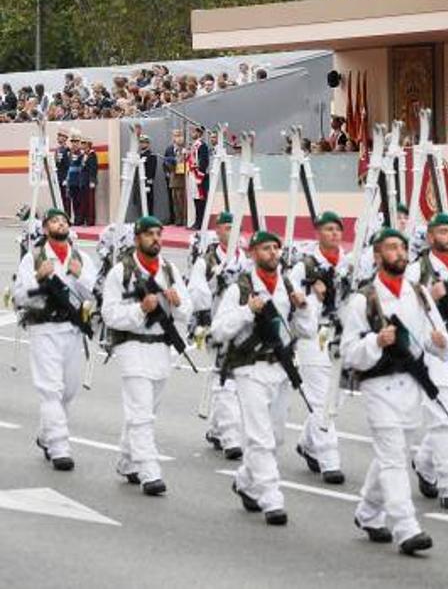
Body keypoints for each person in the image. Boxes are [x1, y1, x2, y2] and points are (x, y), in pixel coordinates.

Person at [340, 227, 443, 556]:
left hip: (411, 384)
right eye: (391, 248)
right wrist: (375, 341)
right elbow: (350, 352)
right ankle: (406, 527)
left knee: (395, 453)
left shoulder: (419, 293)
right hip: (378, 385)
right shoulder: (363, 299)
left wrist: (441, 343)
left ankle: (368, 512)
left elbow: (432, 336)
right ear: (377, 256)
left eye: (401, 247)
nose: (399, 253)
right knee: (393, 457)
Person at [213, 231, 317, 527]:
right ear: (252, 254)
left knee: (276, 436)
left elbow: (307, 331)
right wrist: (248, 311)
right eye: (265, 248)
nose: (272, 253)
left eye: (276, 248)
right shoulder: (240, 289)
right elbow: (219, 330)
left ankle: (246, 480)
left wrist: (304, 307)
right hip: (249, 367)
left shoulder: (288, 286)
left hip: (281, 368)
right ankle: (272, 497)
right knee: (259, 436)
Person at [101, 216, 192, 495]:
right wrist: (140, 309)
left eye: (158, 234)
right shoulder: (121, 272)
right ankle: (149, 472)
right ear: (137, 238)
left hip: (160, 349)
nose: (156, 239)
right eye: (149, 234)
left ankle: (128, 462)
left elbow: (186, 310)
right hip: (132, 348)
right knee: (141, 414)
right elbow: (110, 314)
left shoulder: (170, 270)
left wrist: (177, 303)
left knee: (147, 411)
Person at [14, 209, 95, 472]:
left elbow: (94, 293)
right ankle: (60, 447)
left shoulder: (80, 257)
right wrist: (38, 277)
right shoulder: (34, 257)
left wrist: (79, 274)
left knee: (69, 390)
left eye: (63, 221)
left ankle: (46, 434)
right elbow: (20, 297)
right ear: (46, 229)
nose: (60, 224)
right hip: (44, 328)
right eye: (54, 221)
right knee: (51, 389)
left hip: (72, 330)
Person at [409, 212, 448, 510]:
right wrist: (431, 301)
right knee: (445, 420)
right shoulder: (416, 271)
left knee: (447, 417)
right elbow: (405, 311)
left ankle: (424, 462)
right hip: (432, 350)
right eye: (443, 231)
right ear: (431, 236)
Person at [288, 211, 348, 484]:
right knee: (321, 398)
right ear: (318, 233)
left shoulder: (348, 263)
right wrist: (313, 299)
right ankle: (329, 458)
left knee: (337, 397)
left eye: (337, 229)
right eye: (328, 229)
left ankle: (308, 443)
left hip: (341, 335)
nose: (333, 234)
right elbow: (294, 298)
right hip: (313, 336)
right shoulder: (305, 266)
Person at [188, 212, 246, 459]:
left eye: (234, 227)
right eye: (226, 227)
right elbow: (197, 294)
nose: (230, 231)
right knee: (226, 376)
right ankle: (230, 436)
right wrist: (216, 281)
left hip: (242, 323)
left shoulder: (246, 259)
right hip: (217, 322)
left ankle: (216, 427)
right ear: (218, 231)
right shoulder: (207, 260)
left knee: (236, 375)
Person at [136, 134, 158, 220]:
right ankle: (142, 217)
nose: (141, 144)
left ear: (148, 144)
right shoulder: (139, 155)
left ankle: (149, 217)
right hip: (139, 181)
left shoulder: (151, 155)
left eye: (144, 142)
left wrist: (149, 180)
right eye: (140, 142)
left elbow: (152, 169)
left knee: (148, 200)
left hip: (147, 181)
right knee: (140, 201)